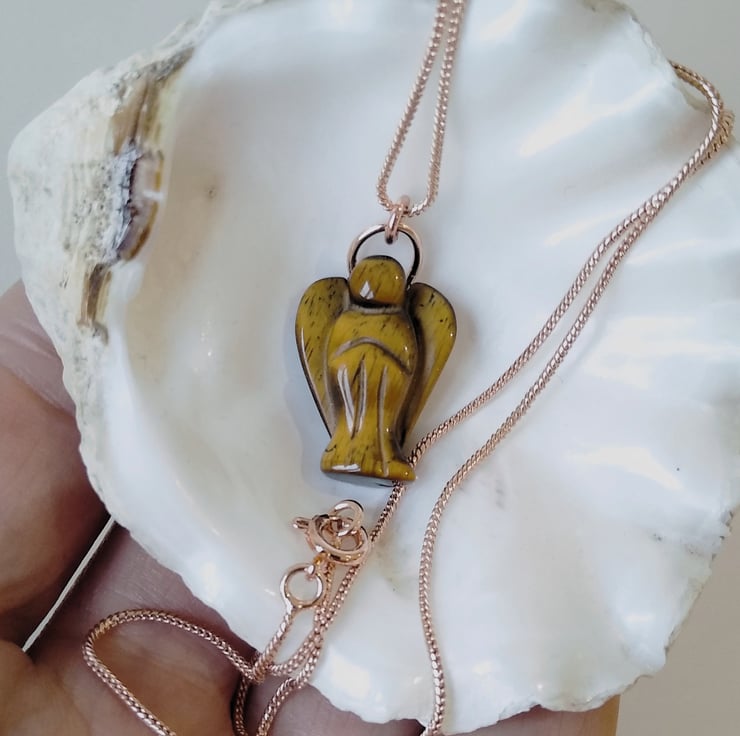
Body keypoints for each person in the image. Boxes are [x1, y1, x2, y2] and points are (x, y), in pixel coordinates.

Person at [0, 282, 619, 735]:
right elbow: (334, 372)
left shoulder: (422, 320)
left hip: (380, 443)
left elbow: (412, 376)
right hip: (351, 439)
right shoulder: (331, 313)